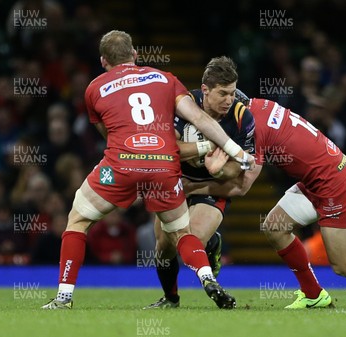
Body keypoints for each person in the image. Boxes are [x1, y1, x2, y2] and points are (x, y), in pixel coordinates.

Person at [183, 69, 346, 309]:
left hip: (336, 185)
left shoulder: (253, 127)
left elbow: (241, 188)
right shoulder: (258, 107)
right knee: (275, 227)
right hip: (316, 180)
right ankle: (313, 294)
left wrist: (190, 187)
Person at [41, 30, 253, 309]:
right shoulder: (166, 79)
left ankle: (64, 297)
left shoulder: (93, 87)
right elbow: (200, 118)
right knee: (182, 234)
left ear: (104, 60)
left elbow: (107, 133)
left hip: (121, 163)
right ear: (135, 56)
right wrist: (235, 151)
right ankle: (206, 278)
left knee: (78, 219)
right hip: (165, 166)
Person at [144, 57, 255, 309]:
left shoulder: (241, 117)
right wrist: (207, 146)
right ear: (205, 90)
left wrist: (219, 170)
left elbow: (238, 166)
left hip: (211, 187)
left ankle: (211, 243)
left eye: (232, 92)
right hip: (174, 183)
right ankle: (171, 299)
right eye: (223, 93)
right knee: (163, 248)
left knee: (190, 238)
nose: (229, 100)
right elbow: (168, 148)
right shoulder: (183, 105)